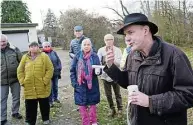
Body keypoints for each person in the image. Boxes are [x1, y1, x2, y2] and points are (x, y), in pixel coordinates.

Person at [104, 13, 193, 125]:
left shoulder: (174, 55)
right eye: (125, 35)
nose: (127, 39)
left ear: (145, 30)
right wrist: (111, 66)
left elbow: (189, 94)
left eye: (130, 32)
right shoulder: (132, 55)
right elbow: (128, 82)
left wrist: (151, 102)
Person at [17, 42, 54, 125]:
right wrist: (22, 81)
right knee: (30, 105)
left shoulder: (44, 56)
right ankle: (30, 121)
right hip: (29, 86)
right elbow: (20, 70)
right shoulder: (24, 57)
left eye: (35, 46)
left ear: (38, 47)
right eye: (31, 46)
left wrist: (45, 80)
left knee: (44, 104)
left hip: (42, 86)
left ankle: (46, 119)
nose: (34, 48)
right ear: (29, 48)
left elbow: (50, 69)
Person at [70, 38, 101, 125]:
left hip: (92, 84)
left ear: (91, 46)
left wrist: (98, 71)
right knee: (82, 105)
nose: (86, 46)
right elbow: (72, 70)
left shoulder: (95, 56)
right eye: (85, 44)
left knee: (92, 103)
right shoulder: (77, 56)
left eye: (88, 44)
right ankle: (85, 122)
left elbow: (99, 70)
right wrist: (74, 83)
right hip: (80, 84)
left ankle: (93, 121)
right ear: (81, 46)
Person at [97, 34, 123, 117]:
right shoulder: (101, 50)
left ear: (113, 40)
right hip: (105, 75)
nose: (109, 41)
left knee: (117, 93)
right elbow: (98, 62)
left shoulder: (118, 50)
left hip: (115, 75)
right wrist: (104, 61)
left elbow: (120, 63)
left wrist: (111, 61)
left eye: (110, 39)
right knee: (108, 94)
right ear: (104, 41)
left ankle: (120, 109)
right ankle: (112, 109)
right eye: (107, 39)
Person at [1, 34, 23, 125]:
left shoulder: (14, 49)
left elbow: (22, 62)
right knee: (2, 99)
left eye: (4, 41)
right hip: (1, 80)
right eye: (0, 41)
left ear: (7, 41)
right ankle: (2, 118)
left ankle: (15, 112)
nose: (2, 43)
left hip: (15, 78)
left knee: (16, 97)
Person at [42, 41, 62, 107]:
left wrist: (59, 68)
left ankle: (55, 98)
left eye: (48, 46)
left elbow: (58, 61)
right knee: (49, 88)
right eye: (45, 46)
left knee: (55, 87)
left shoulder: (54, 52)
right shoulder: (42, 54)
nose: (47, 47)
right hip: (47, 74)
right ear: (43, 47)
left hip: (55, 73)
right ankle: (50, 101)